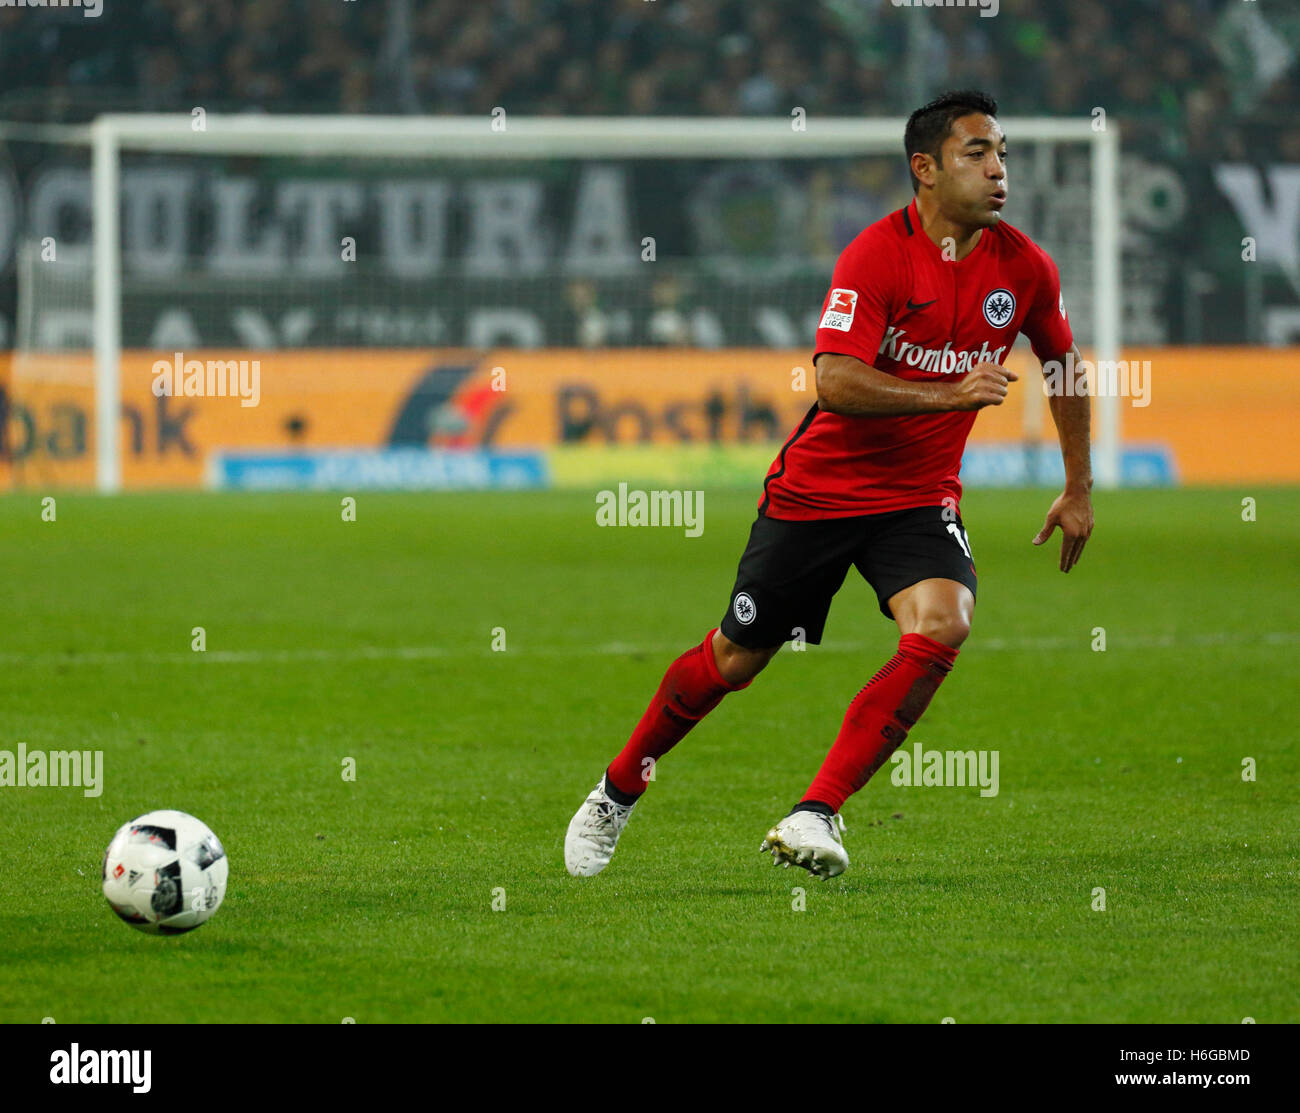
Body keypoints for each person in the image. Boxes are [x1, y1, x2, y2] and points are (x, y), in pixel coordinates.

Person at [565, 90, 1094, 880]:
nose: (998, 170)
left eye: (1003, 153)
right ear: (925, 168)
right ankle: (617, 788)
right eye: (977, 153)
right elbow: (835, 380)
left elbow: (1062, 366)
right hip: (818, 494)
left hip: (917, 499)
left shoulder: (1023, 266)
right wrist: (949, 394)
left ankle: (817, 809)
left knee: (945, 622)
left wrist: (1077, 484)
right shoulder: (876, 256)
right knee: (737, 658)